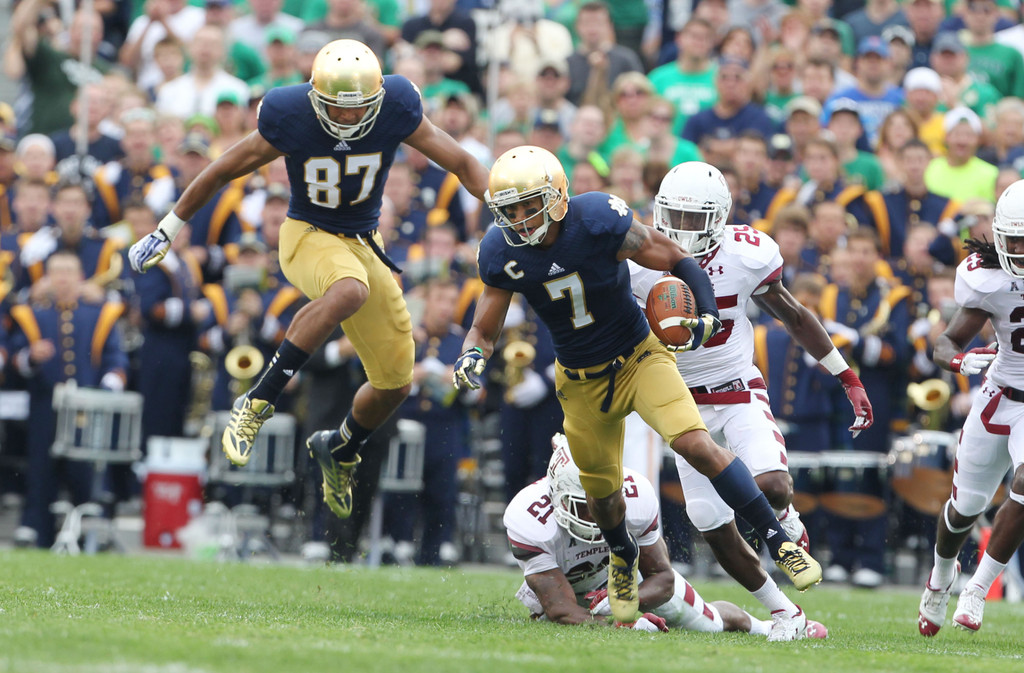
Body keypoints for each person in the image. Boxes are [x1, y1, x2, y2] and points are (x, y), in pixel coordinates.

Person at [454, 144, 822, 629]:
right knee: (604, 494)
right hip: (581, 382)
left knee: (696, 444)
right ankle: (623, 556)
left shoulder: (596, 219)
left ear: (558, 197)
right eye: (511, 210)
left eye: (530, 205)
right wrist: (472, 352)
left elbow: (675, 257)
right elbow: (486, 323)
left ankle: (778, 539)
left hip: (639, 357)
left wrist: (707, 311)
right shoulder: (501, 252)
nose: (522, 219)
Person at [128, 39, 489, 520]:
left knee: (396, 383)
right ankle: (258, 400)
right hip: (306, 233)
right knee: (349, 290)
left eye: (358, 108)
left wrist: (507, 213)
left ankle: (341, 447)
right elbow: (220, 170)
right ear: (315, 98)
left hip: (364, 241)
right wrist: (167, 228)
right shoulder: (288, 111)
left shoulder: (398, 105)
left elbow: (463, 163)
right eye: (337, 110)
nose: (347, 119)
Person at [629, 162, 872, 624]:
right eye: (673, 216)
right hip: (681, 406)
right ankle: (786, 615)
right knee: (712, 526)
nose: (680, 230)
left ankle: (788, 519)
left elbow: (796, 316)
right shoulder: (635, 259)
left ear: (719, 218)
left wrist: (847, 377)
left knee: (773, 486)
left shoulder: (746, 255)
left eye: (692, 219)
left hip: (737, 388)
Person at [505, 434, 829, 639]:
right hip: (573, 591)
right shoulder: (527, 518)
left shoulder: (636, 494)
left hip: (632, 581)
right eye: (584, 506)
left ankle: (762, 626)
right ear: (556, 494)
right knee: (563, 618)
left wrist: (631, 605)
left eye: (602, 502)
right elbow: (561, 607)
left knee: (711, 623)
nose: (596, 515)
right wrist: (625, 625)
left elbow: (662, 578)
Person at [917, 179, 1024, 636]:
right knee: (963, 509)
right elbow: (944, 343)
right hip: (999, 399)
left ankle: (977, 590)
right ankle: (941, 577)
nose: (1019, 248)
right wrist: (960, 361)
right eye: (1014, 238)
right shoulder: (988, 276)